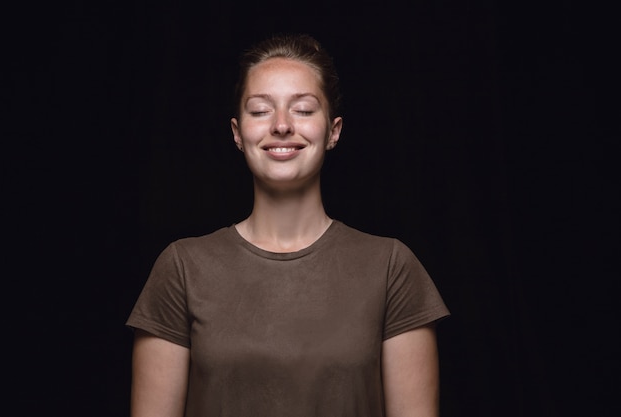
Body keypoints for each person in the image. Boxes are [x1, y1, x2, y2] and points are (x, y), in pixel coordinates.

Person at [126, 33, 450, 417]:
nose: (281, 125)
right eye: (261, 110)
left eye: (303, 109)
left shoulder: (391, 267)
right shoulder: (182, 267)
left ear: (333, 131)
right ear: (237, 133)